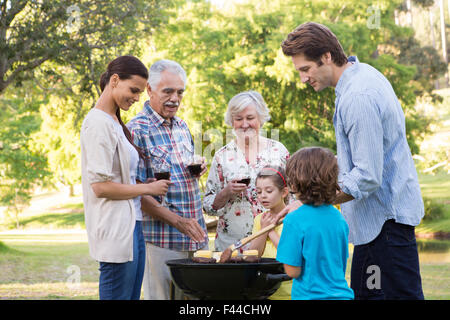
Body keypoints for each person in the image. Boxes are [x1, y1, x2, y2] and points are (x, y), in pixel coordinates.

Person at [278, 22, 425, 299]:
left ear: (326, 57)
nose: (303, 78)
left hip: (385, 227)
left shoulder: (357, 96)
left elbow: (367, 176)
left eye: (305, 69)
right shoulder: (362, 76)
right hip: (378, 228)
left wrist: (311, 201)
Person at [80, 55, 171, 300]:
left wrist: (145, 185)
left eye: (140, 93)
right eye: (133, 90)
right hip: (114, 228)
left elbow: (120, 178)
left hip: (132, 224)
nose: (136, 98)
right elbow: (100, 187)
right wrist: (147, 190)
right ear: (115, 80)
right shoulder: (98, 123)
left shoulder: (114, 122)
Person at [127, 59, 209, 300]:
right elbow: (137, 192)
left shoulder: (182, 126)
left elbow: (178, 172)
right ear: (150, 90)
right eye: (168, 92)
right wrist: (178, 222)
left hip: (194, 237)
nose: (175, 98)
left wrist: (196, 168)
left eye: (180, 92)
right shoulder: (136, 130)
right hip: (161, 239)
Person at [203, 91, 290, 252]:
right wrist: (226, 192)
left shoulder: (279, 151)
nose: (244, 124)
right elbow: (208, 206)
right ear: (231, 121)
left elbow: (294, 196)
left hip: (274, 245)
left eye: (250, 118)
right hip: (232, 247)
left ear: (261, 118)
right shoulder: (222, 156)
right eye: (238, 119)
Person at [276, 147, 354, 300]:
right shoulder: (338, 217)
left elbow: (293, 271)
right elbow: (340, 264)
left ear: (296, 182)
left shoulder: (294, 220)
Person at [249, 166, 292, 300]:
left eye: (269, 191)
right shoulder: (259, 219)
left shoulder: (293, 219)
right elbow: (252, 256)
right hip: (265, 290)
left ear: (284, 192)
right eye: (259, 191)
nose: (263, 196)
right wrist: (263, 230)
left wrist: (270, 231)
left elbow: (289, 254)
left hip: (290, 291)